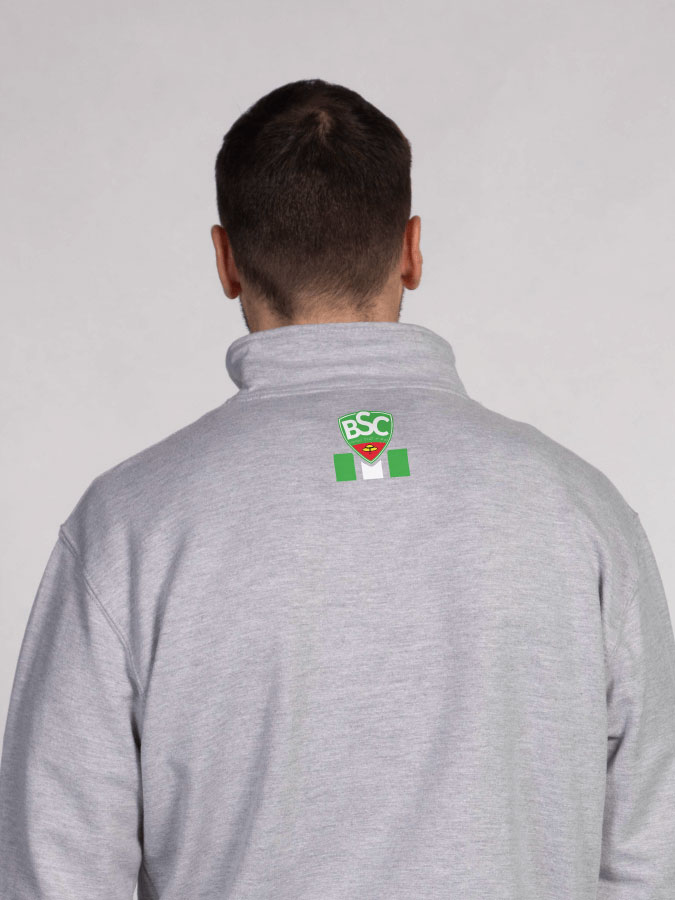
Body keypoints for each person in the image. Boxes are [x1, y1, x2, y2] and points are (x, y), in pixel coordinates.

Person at [0, 77, 674, 900]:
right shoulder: (580, 511)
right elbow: (649, 856)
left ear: (225, 261)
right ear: (412, 250)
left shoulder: (129, 526)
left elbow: (57, 872)